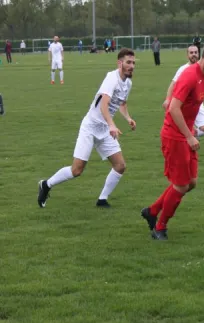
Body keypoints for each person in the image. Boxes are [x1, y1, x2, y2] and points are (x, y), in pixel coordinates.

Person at [141, 40, 204, 241]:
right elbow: (173, 108)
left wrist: (192, 132)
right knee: (181, 185)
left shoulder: (202, 77)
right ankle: (160, 227)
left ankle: (152, 211)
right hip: (175, 136)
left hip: (186, 134)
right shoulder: (189, 75)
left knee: (191, 183)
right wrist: (189, 136)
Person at [37, 48, 137, 209]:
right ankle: (46, 184)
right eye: (128, 62)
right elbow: (104, 104)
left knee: (120, 166)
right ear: (120, 63)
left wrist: (128, 118)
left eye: (133, 62)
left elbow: (122, 103)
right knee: (76, 170)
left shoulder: (128, 83)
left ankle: (102, 199)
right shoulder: (112, 78)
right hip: (90, 127)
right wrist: (112, 124)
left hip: (104, 129)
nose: (132, 66)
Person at [162, 45, 204, 137]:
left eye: (195, 52)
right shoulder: (183, 69)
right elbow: (173, 85)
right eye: (191, 53)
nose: (194, 55)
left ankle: (189, 137)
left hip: (197, 102)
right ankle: (187, 138)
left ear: (199, 54)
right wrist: (167, 99)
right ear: (187, 55)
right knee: (185, 126)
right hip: (185, 103)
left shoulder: (201, 69)